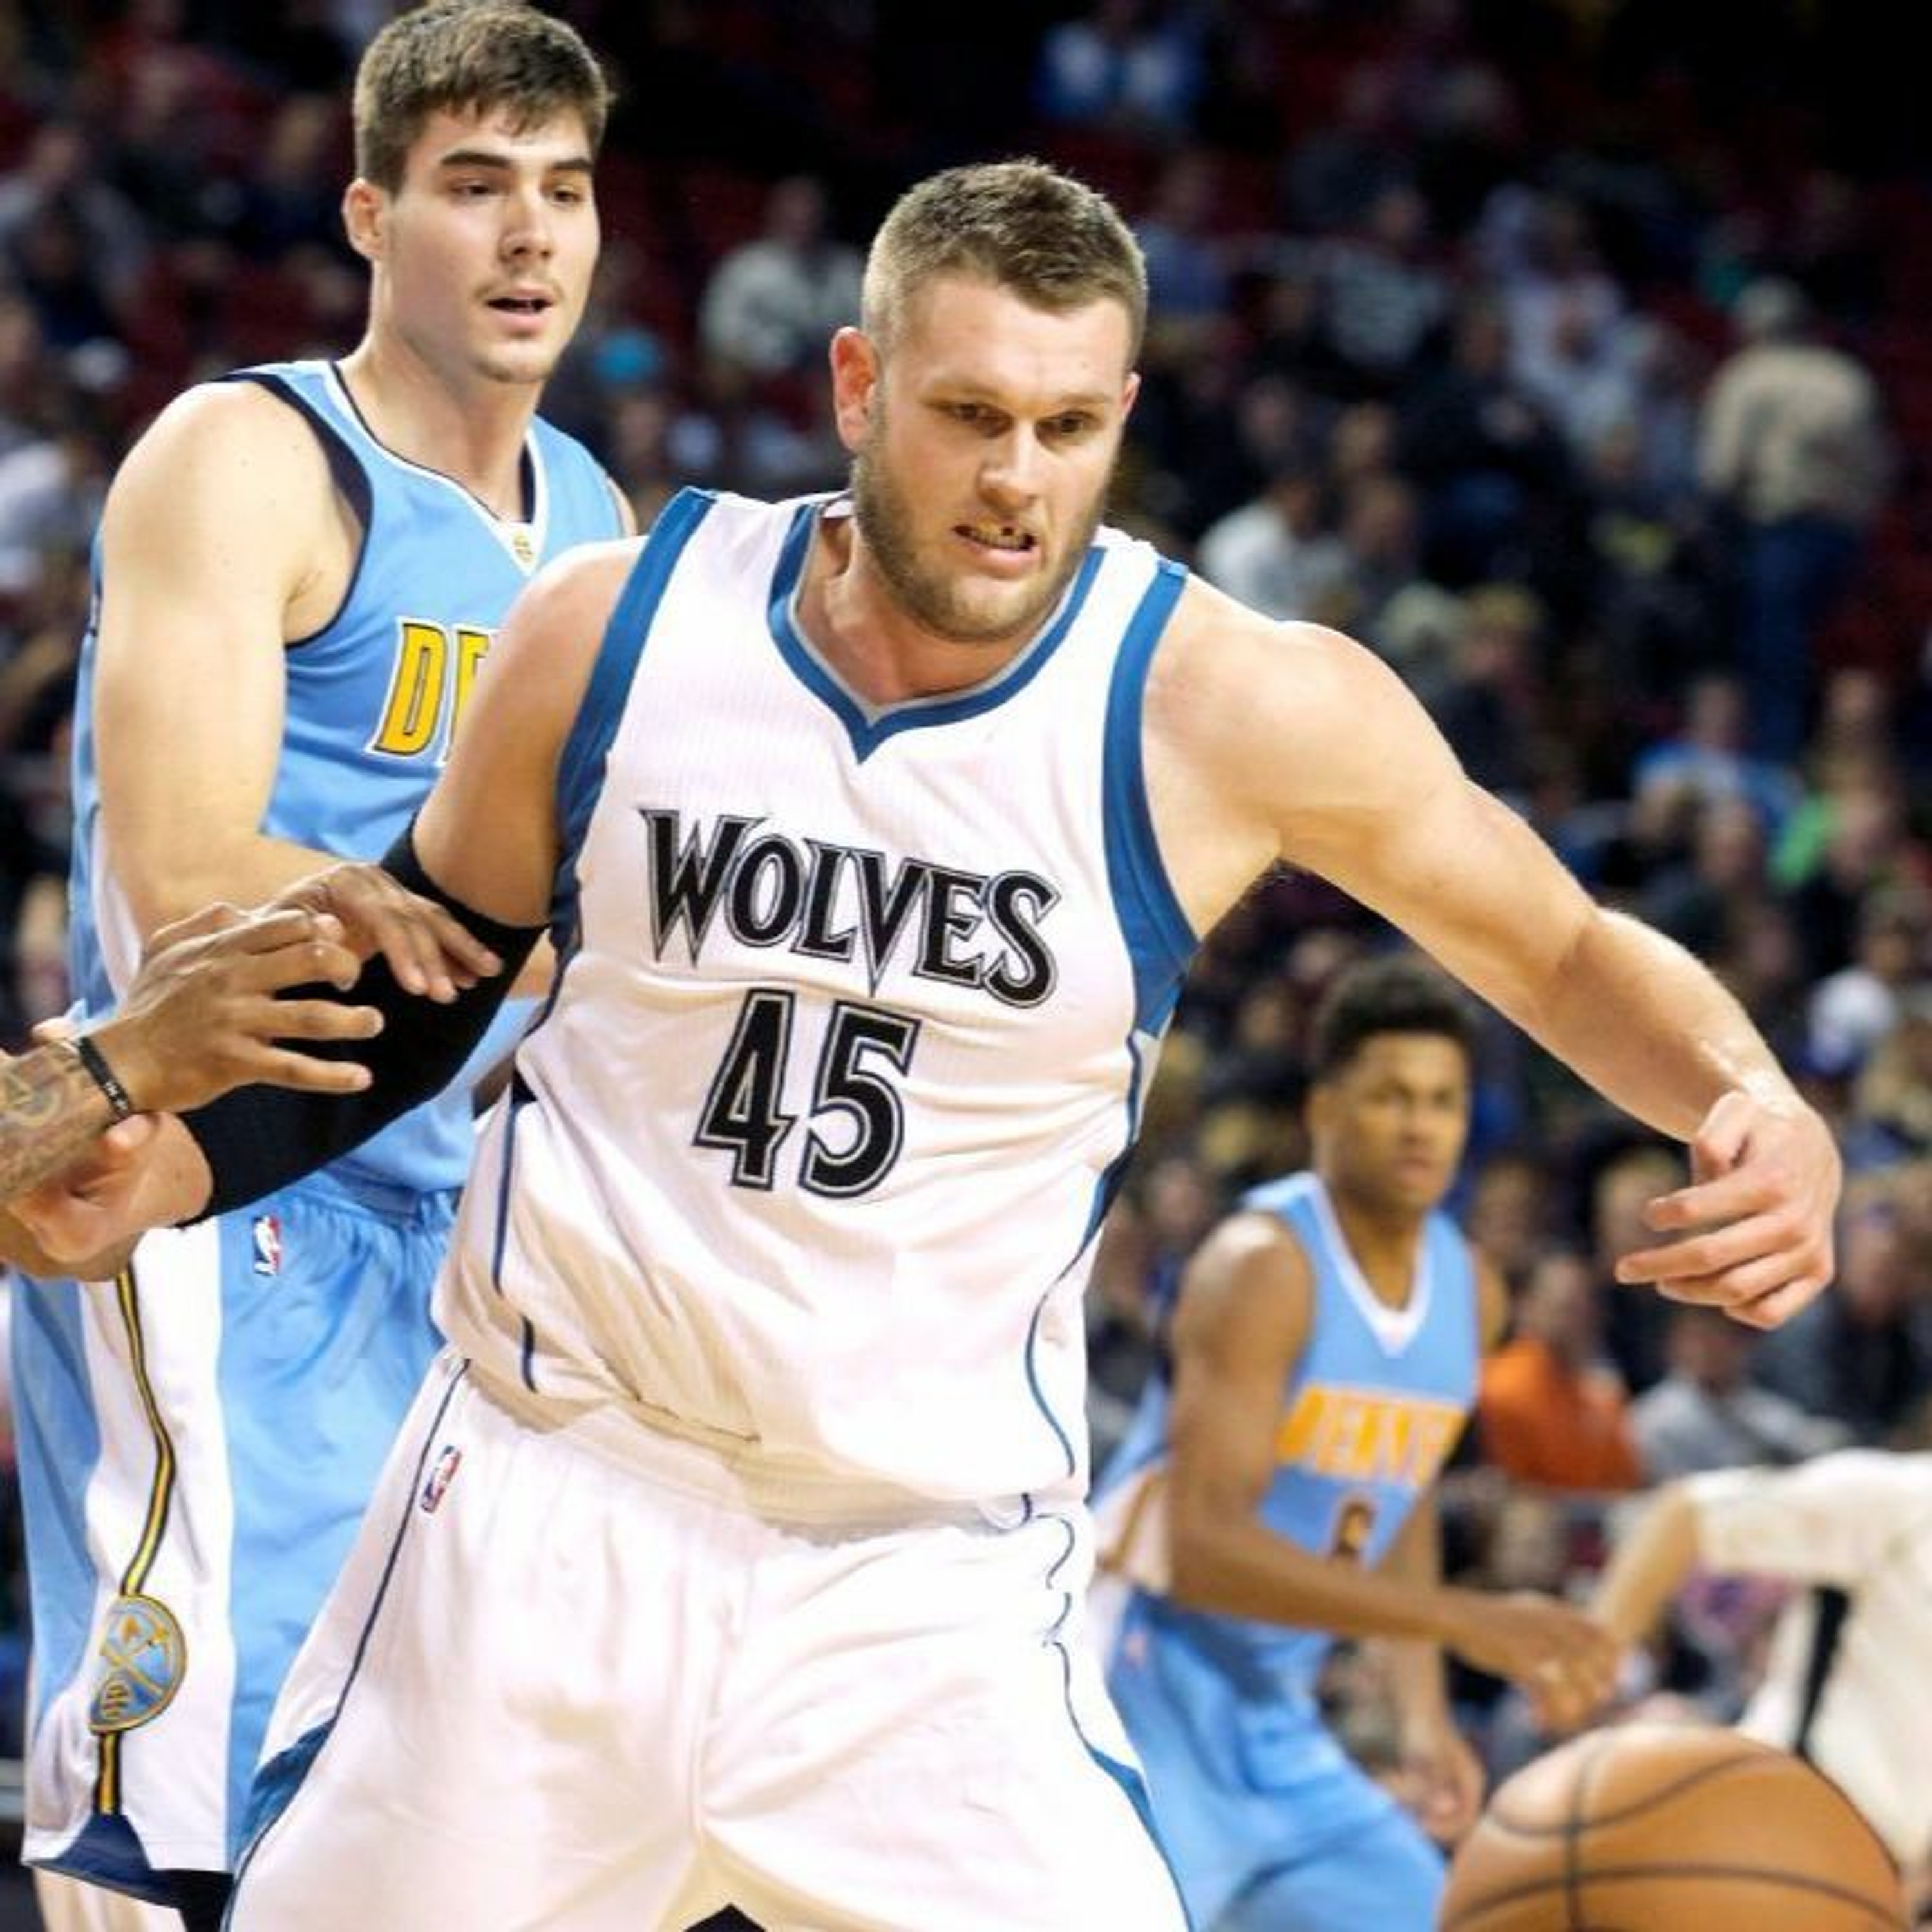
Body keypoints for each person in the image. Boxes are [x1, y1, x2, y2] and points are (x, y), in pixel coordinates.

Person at [19, 158, 1840, 1931]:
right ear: (856, 385)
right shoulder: (617, 624)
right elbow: (426, 981)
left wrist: (1746, 1094)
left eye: (1066, 427)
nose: (1014, 479)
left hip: (922, 1592)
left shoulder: (1223, 702)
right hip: (543, 1513)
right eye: (969, 415)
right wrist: (182, 1160)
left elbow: (1558, 944)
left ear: (1122, 417)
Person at [8, 5, 628, 1927]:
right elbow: (190, 868)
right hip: (216, 1191)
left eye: (563, 191)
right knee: (189, 1837)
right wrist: (532, 949)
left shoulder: (593, 525)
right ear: (369, 215)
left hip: (462, 1241)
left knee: (428, 1840)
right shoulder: (252, 455)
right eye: (472, 187)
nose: (526, 235)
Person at [1090, 955, 1617, 1931]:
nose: (1420, 1126)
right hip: (1131, 1686)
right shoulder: (1263, 1265)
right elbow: (1203, 1553)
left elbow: (1399, 1498)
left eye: (1442, 1101)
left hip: (1276, 1717)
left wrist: (1422, 1713)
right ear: (1325, 1110)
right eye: (1390, 1097)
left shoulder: (1472, 1292)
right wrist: (1464, 1619)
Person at [1593, 1450, 1932, 1908]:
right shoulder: (1905, 1501)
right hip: (1767, 1824)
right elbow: (1690, 1513)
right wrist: (1590, 1668)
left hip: (1882, 1884)